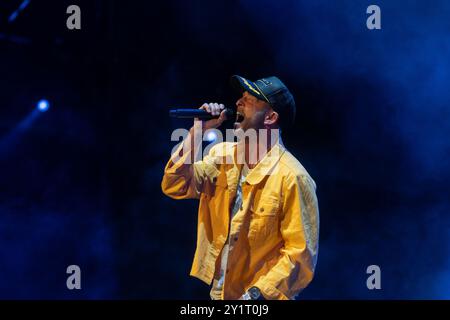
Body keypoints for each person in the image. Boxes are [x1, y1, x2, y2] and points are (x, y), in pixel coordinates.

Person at [161, 75, 319, 300]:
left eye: (250, 99)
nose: (238, 102)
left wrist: (255, 295)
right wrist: (198, 131)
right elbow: (174, 184)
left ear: (271, 117)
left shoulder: (293, 178)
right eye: (241, 97)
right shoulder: (221, 156)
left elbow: (300, 256)